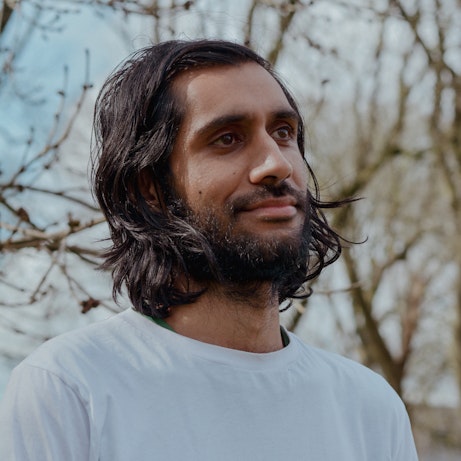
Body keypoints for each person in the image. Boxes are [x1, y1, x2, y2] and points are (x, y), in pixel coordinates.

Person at [0, 39, 418, 460]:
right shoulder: (70, 390)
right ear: (150, 189)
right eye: (227, 139)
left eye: (283, 132)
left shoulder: (369, 408)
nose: (277, 163)